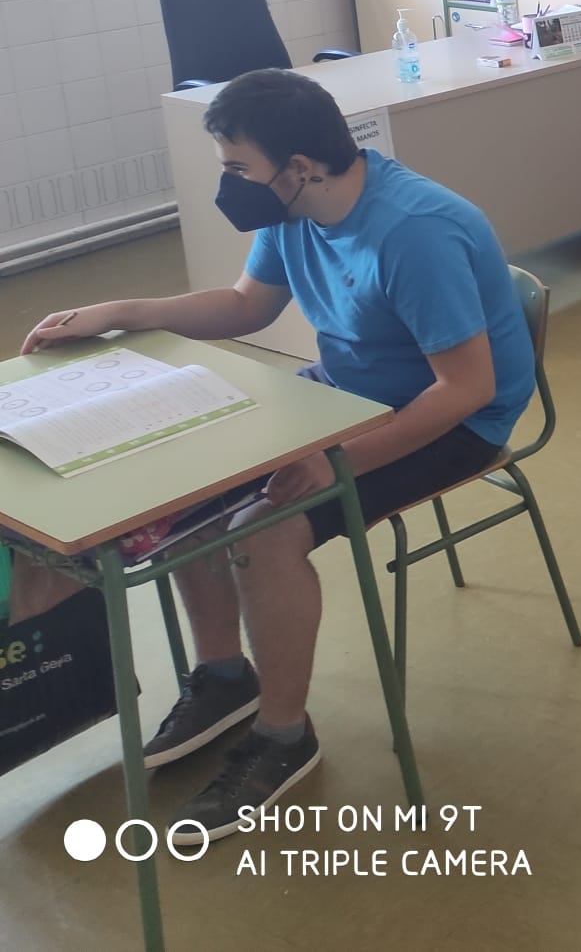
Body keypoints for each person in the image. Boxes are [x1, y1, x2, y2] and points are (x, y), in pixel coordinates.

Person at [20, 69, 535, 845]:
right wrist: (120, 313)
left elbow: (466, 389)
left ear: (299, 167)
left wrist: (341, 459)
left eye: (237, 168)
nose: (228, 185)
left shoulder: (415, 231)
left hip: (450, 420)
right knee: (193, 491)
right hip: (344, 394)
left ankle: (284, 733)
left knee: (263, 530)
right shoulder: (295, 205)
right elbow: (245, 305)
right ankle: (225, 677)